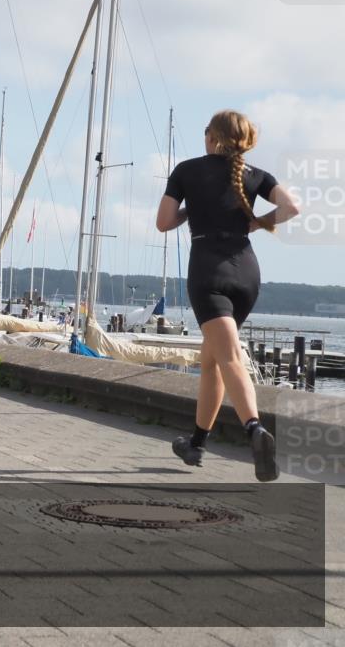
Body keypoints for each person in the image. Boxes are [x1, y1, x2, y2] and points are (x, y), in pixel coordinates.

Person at [156, 110, 299, 482]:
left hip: (208, 273)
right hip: (247, 273)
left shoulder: (186, 170)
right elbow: (291, 207)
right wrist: (258, 222)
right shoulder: (257, 176)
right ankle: (197, 444)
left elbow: (163, 222)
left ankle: (255, 429)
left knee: (229, 356)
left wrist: (191, 209)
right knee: (212, 359)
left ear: (212, 137)